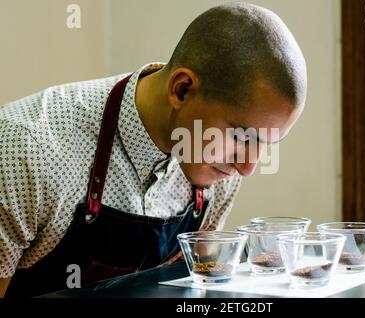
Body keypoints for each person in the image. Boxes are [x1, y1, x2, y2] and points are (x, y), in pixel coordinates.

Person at [0, 2, 307, 297]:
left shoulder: (220, 169)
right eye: (242, 136)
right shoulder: (28, 148)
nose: (248, 167)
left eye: (266, 142)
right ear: (182, 89)